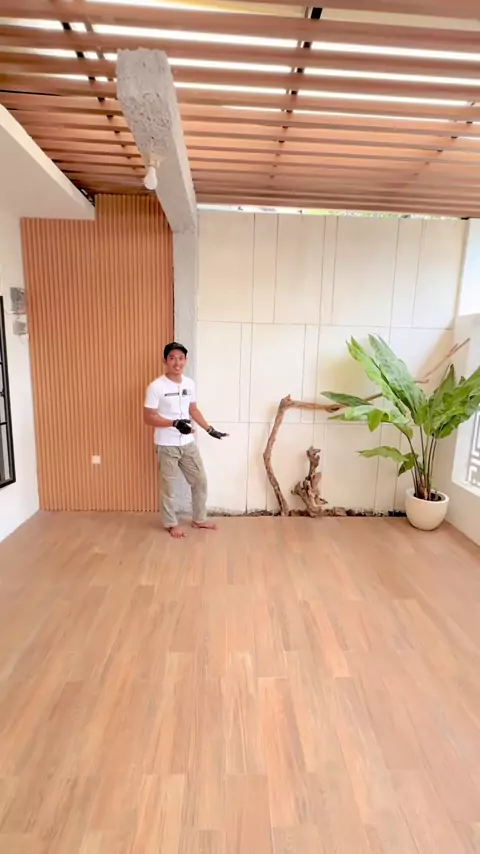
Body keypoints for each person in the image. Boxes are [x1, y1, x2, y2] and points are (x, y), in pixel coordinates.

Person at [144, 341, 227, 539]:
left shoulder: (189, 384)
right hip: (167, 445)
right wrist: (173, 423)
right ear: (165, 361)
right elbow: (148, 417)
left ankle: (199, 519)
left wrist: (210, 429)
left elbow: (193, 409)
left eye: (181, 358)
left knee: (200, 481)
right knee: (169, 487)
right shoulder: (156, 387)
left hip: (188, 443)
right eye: (172, 358)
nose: (177, 362)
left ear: (186, 360)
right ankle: (171, 524)